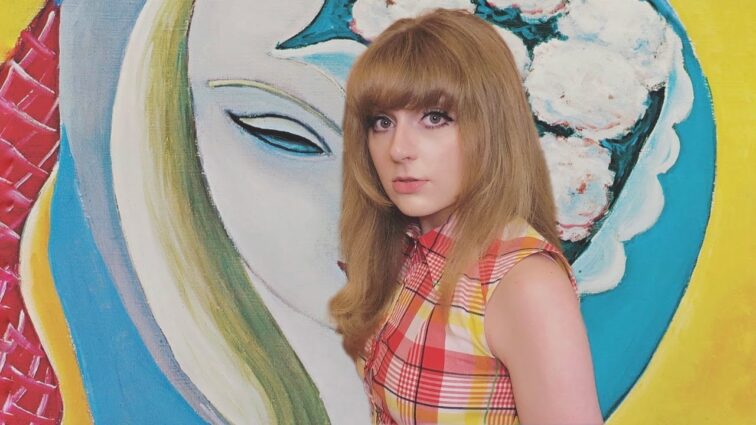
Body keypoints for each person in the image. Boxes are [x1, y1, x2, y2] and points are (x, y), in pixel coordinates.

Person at [330, 8, 604, 425]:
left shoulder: (524, 285)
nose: (399, 149)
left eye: (434, 118)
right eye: (382, 122)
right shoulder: (407, 250)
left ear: (491, 127)